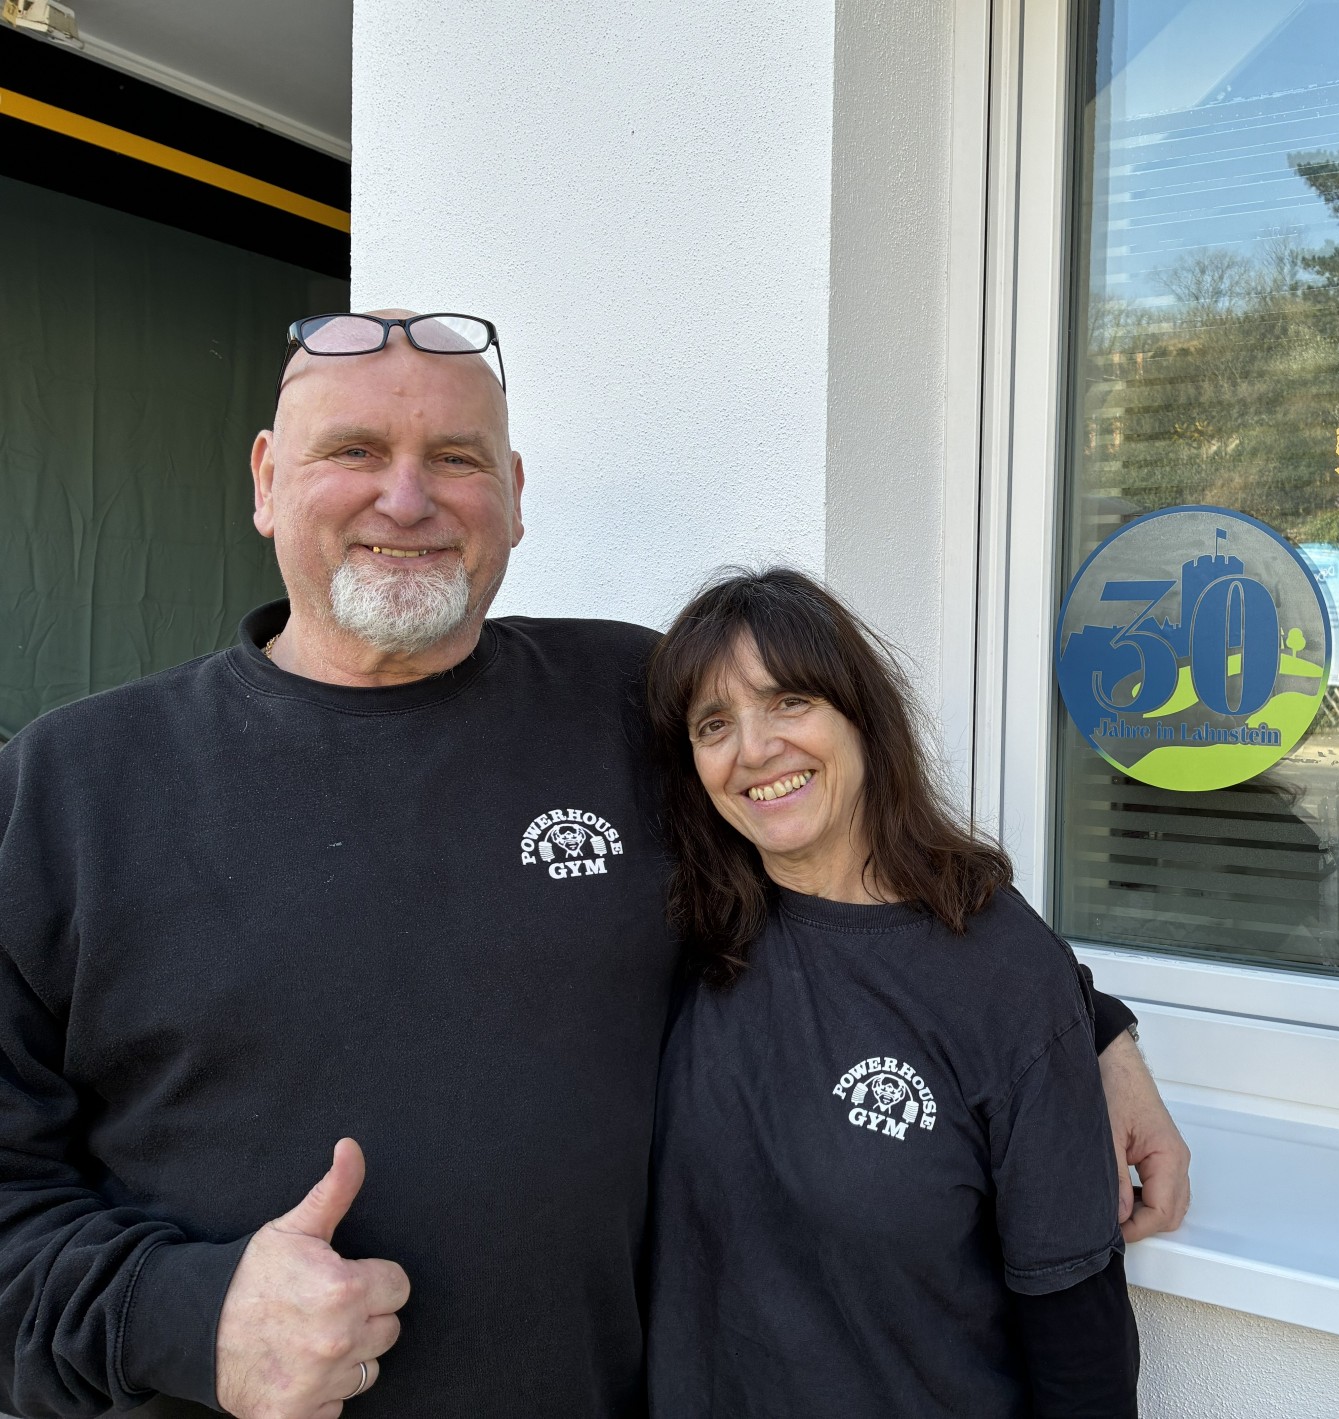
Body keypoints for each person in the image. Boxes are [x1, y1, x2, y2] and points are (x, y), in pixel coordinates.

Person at [0, 311, 1189, 1419]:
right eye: (354, 450)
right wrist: (187, 1319)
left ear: (514, 499)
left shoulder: (631, 705)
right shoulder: (68, 790)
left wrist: (1087, 1026)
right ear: (266, 481)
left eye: (457, 458)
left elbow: (859, 844)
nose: (406, 497)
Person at [644, 570, 1138, 1418]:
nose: (754, 749)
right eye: (714, 723)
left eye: (790, 701)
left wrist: (1103, 1033)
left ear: (862, 717)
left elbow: (1080, 1345)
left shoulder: (1003, 972)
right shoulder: (683, 932)